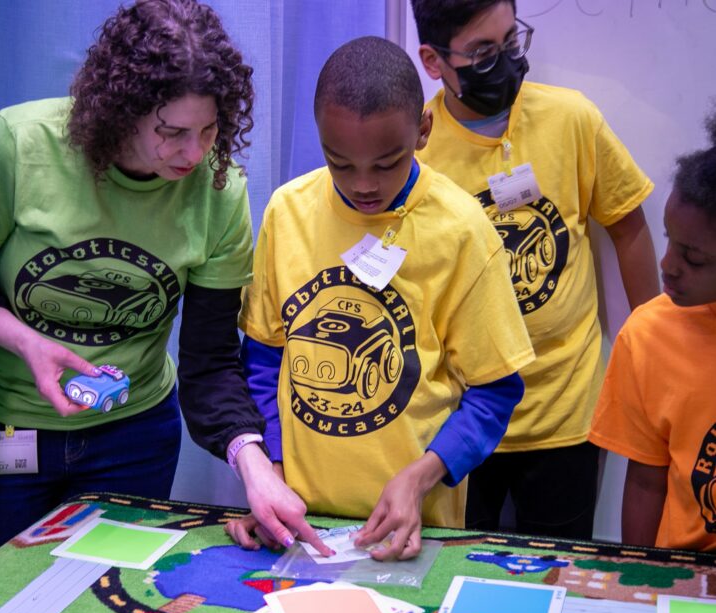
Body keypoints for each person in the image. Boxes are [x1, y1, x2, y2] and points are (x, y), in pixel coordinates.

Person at [0, 0, 326, 572]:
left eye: (210, 130)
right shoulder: (19, 148)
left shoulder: (219, 193)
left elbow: (209, 363)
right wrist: (23, 339)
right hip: (6, 430)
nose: (195, 153)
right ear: (121, 111)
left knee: (105, 606)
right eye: (172, 132)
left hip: (132, 437)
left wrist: (257, 468)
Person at [225, 36, 535, 562]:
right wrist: (270, 474)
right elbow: (263, 359)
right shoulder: (286, 211)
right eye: (340, 164)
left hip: (413, 525)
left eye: (386, 164)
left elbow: (495, 392)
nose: (364, 185)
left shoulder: (461, 229)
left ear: (422, 131)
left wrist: (419, 479)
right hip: (301, 519)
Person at [410, 0, 660, 539]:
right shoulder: (417, 152)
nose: (503, 65)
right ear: (433, 61)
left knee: (559, 577)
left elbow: (629, 226)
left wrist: (652, 344)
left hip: (565, 415)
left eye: (511, 43)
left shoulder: (571, 119)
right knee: (452, 572)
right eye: (481, 53)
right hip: (459, 421)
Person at [589, 110, 716, 552]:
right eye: (668, 240)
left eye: (694, 259)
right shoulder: (647, 335)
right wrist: (637, 581)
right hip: (686, 576)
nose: (667, 267)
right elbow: (645, 481)